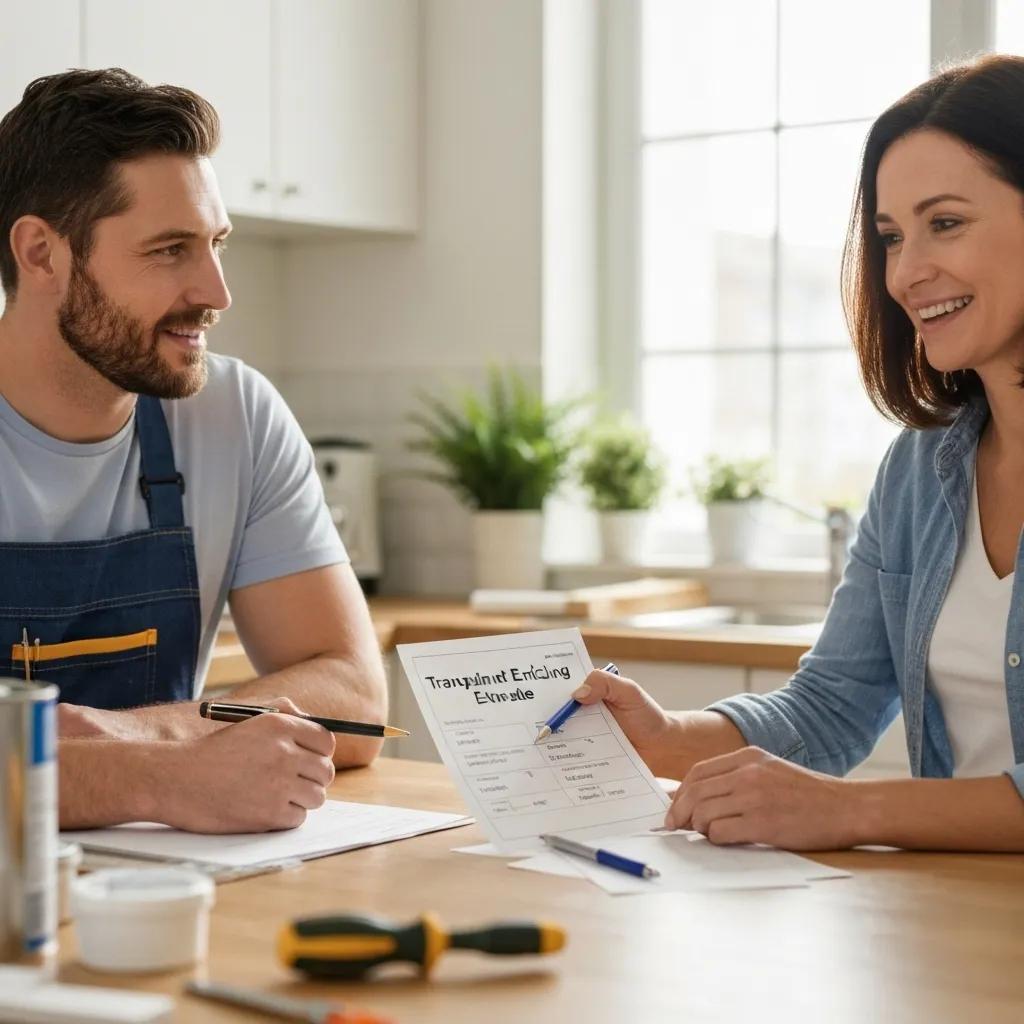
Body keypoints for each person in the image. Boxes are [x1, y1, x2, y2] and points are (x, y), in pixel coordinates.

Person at [576, 54, 1024, 852]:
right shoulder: (920, 471)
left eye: (945, 222)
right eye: (891, 236)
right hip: (960, 927)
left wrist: (852, 813)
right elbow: (832, 706)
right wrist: (661, 735)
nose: (908, 272)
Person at [0, 69, 388, 834]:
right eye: (170, 250)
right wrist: (153, 781)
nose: (216, 290)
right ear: (42, 253)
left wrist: (154, 732)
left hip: (162, 892)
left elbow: (353, 695)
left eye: (215, 244)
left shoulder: (232, 414)